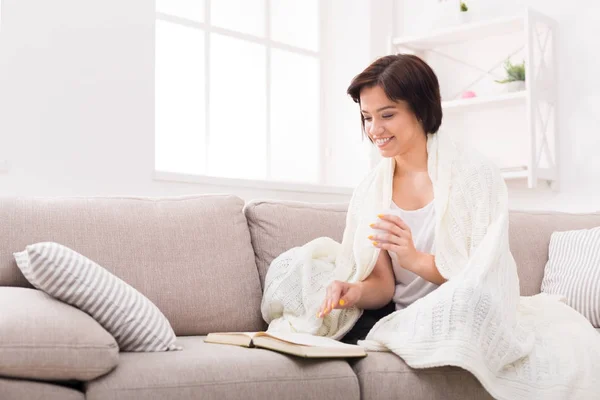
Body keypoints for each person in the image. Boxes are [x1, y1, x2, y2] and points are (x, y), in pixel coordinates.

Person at [315, 54, 450, 344]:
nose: (374, 130)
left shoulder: (469, 179)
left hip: (456, 311)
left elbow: (477, 275)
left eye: (387, 115)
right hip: (400, 318)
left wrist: (413, 259)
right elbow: (384, 286)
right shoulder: (371, 192)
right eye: (367, 117)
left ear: (422, 110)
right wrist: (355, 292)